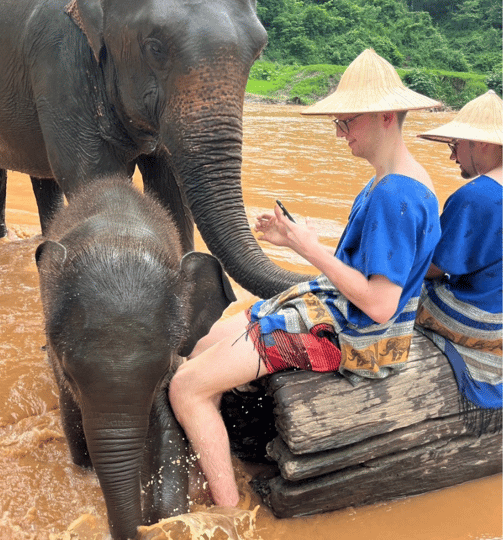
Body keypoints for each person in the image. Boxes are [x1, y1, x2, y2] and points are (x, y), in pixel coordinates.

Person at [167, 49, 442, 507]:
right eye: (337, 123)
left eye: (347, 122)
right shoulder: (399, 179)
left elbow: (379, 304)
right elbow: (372, 269)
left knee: (187, 386)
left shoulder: (395, 195)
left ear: (386, 117)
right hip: (339, 310)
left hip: (356, 336)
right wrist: (300, 239)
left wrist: (306, 247)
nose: (340, 134)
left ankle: (226, 512)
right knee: (205, 343)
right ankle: (223, 458)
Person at [414, 90, 502, 421]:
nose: (453, 157)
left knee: (392, 292)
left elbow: (434, 268)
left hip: (483, 322)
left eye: (455, 145)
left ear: (483, 144)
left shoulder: (476, 196)